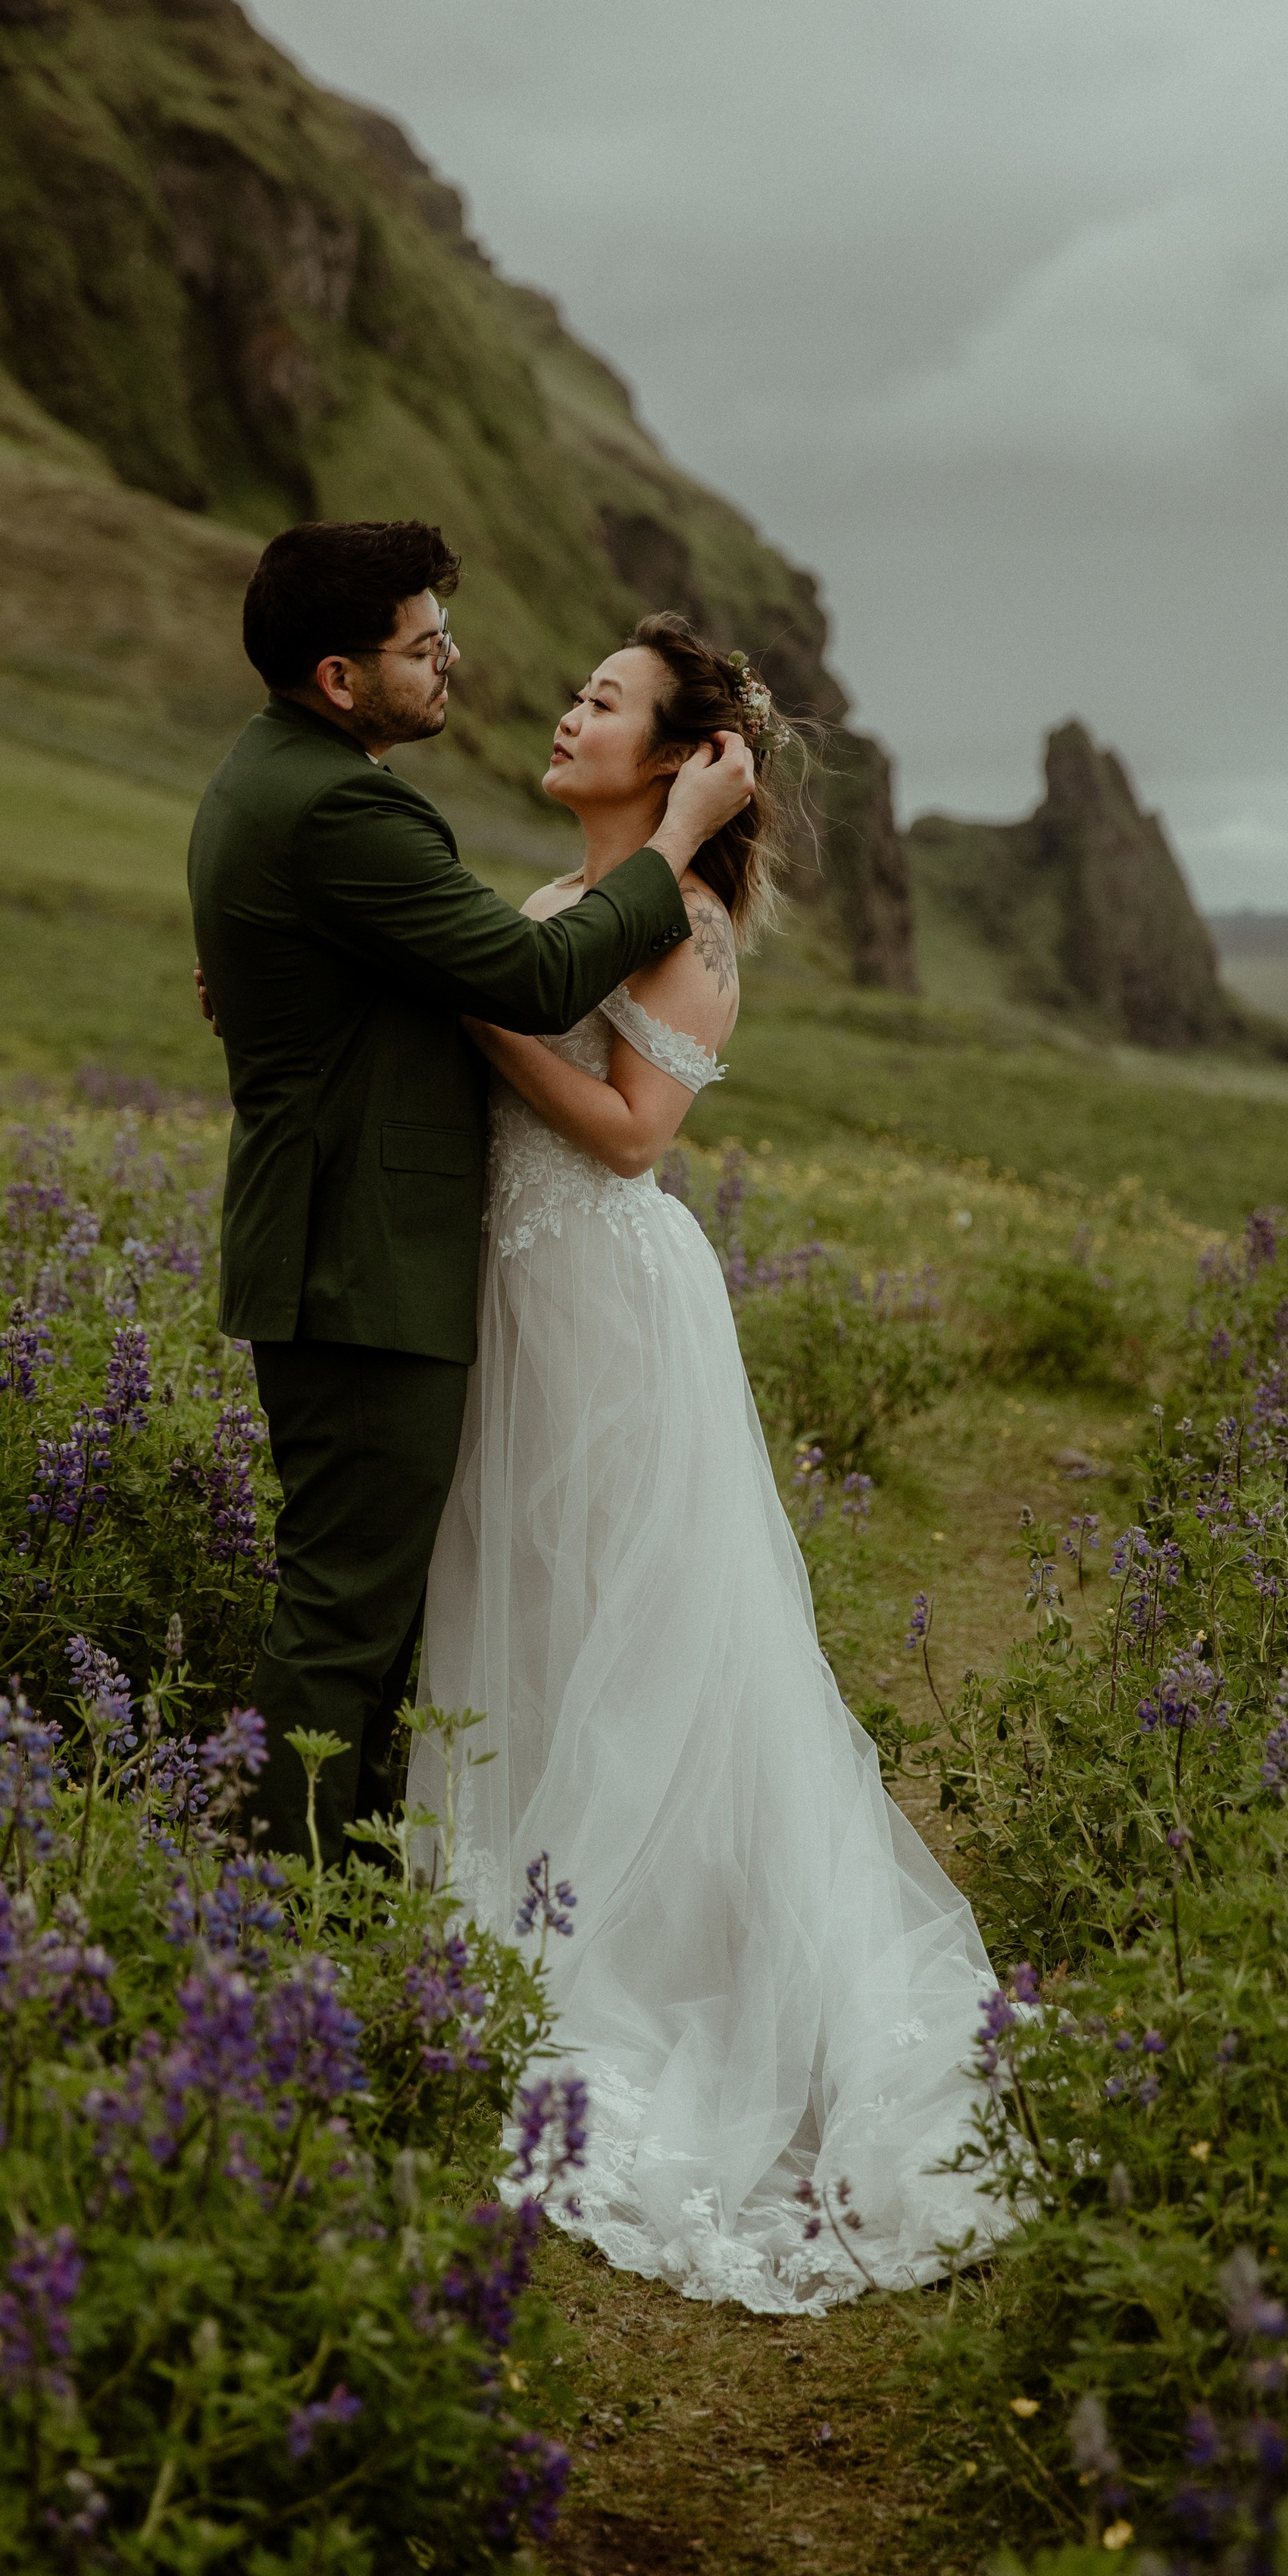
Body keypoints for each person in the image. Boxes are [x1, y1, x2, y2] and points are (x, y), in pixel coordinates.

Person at [409, 614, 1000, 2314]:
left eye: (600, 698)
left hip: (601, 1293)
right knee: (528, 1599)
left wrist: (471, 1012)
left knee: (631, 1621)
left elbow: (627, 1132)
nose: (563, 705)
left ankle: (679, 1969)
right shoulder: (559, 899)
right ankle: (529, 1924)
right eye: (576, 683)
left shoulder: (690, 923)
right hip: (520, 1283)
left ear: (670, 759)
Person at [187, 522, 755, 1868]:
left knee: (417, 1613)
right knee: (348, 1618)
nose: (457, 663)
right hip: (363, 1265)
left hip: (429, 1266)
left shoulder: (286, 782)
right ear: (341, 677)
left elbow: (553, 1056)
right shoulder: (343, 806)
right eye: (423, 644)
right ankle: (265, 1920)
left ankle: (344, 1890)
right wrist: (676, 838)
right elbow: (534, 980)